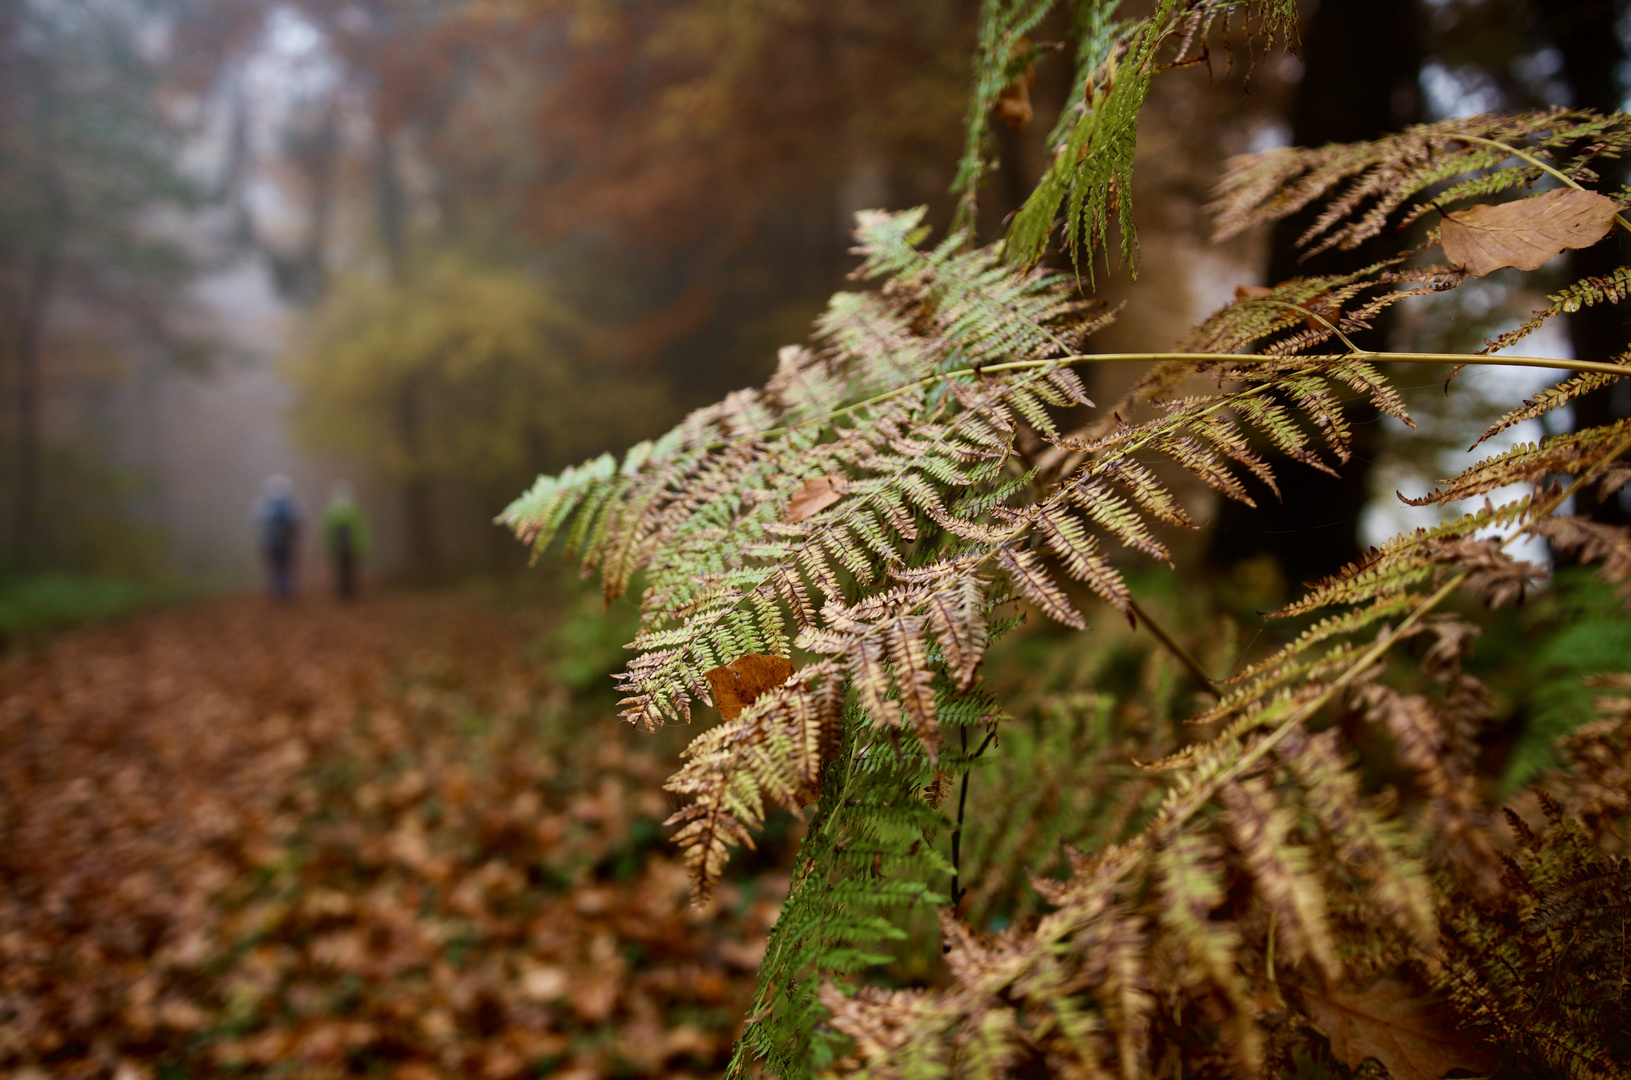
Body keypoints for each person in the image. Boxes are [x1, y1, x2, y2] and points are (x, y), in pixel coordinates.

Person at [321, 482, 371, 600]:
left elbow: (327, 531)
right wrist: (363, 545)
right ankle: (351, 592)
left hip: (338, 548)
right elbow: (361, 530)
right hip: (352, 547)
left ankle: (342, 592)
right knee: (351, 569)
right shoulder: (354, 510)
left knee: (340, 570)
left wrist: (329, 546)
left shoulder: (331, 511)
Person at [254, 475, 302, 600]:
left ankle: (276, 589)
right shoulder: (291, 502)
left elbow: (256, 521)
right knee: (286, 565)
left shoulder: (263, 502)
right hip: (287, 542)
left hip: (270, 543)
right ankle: (285, 589)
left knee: (274, 566)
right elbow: (299, 520)